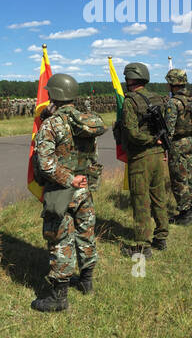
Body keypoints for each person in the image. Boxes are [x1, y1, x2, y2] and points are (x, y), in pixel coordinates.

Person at [31, 75, 105, 311]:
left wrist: (68, 179)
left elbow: (46, 164)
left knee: (60, 239)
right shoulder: (87, 121)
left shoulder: (52, 125)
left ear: (54, 95)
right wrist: (78, 179)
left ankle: (58, 298)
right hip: (84, 187)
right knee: (86, 233)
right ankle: (86, 282)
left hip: (61, 189)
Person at [119, 63, 170, 257]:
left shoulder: (130, 101)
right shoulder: (157, 97)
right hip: (157, 154)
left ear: (131, 79)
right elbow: (164, 126)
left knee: (141, 199)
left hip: (141, 156)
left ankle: (142, 245)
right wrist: (160, 144)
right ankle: (161, 236)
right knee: (159, 197)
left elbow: (131, 133)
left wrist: (150, 140)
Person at [164, 69, 192, 226]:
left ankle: (184, 214)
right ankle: (190, 207)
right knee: (191, 175)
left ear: (173, 84)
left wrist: (164, 147)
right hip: (191, 141)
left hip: (178, 143)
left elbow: (169, 129)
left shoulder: (173, 103)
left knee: (179, 177)